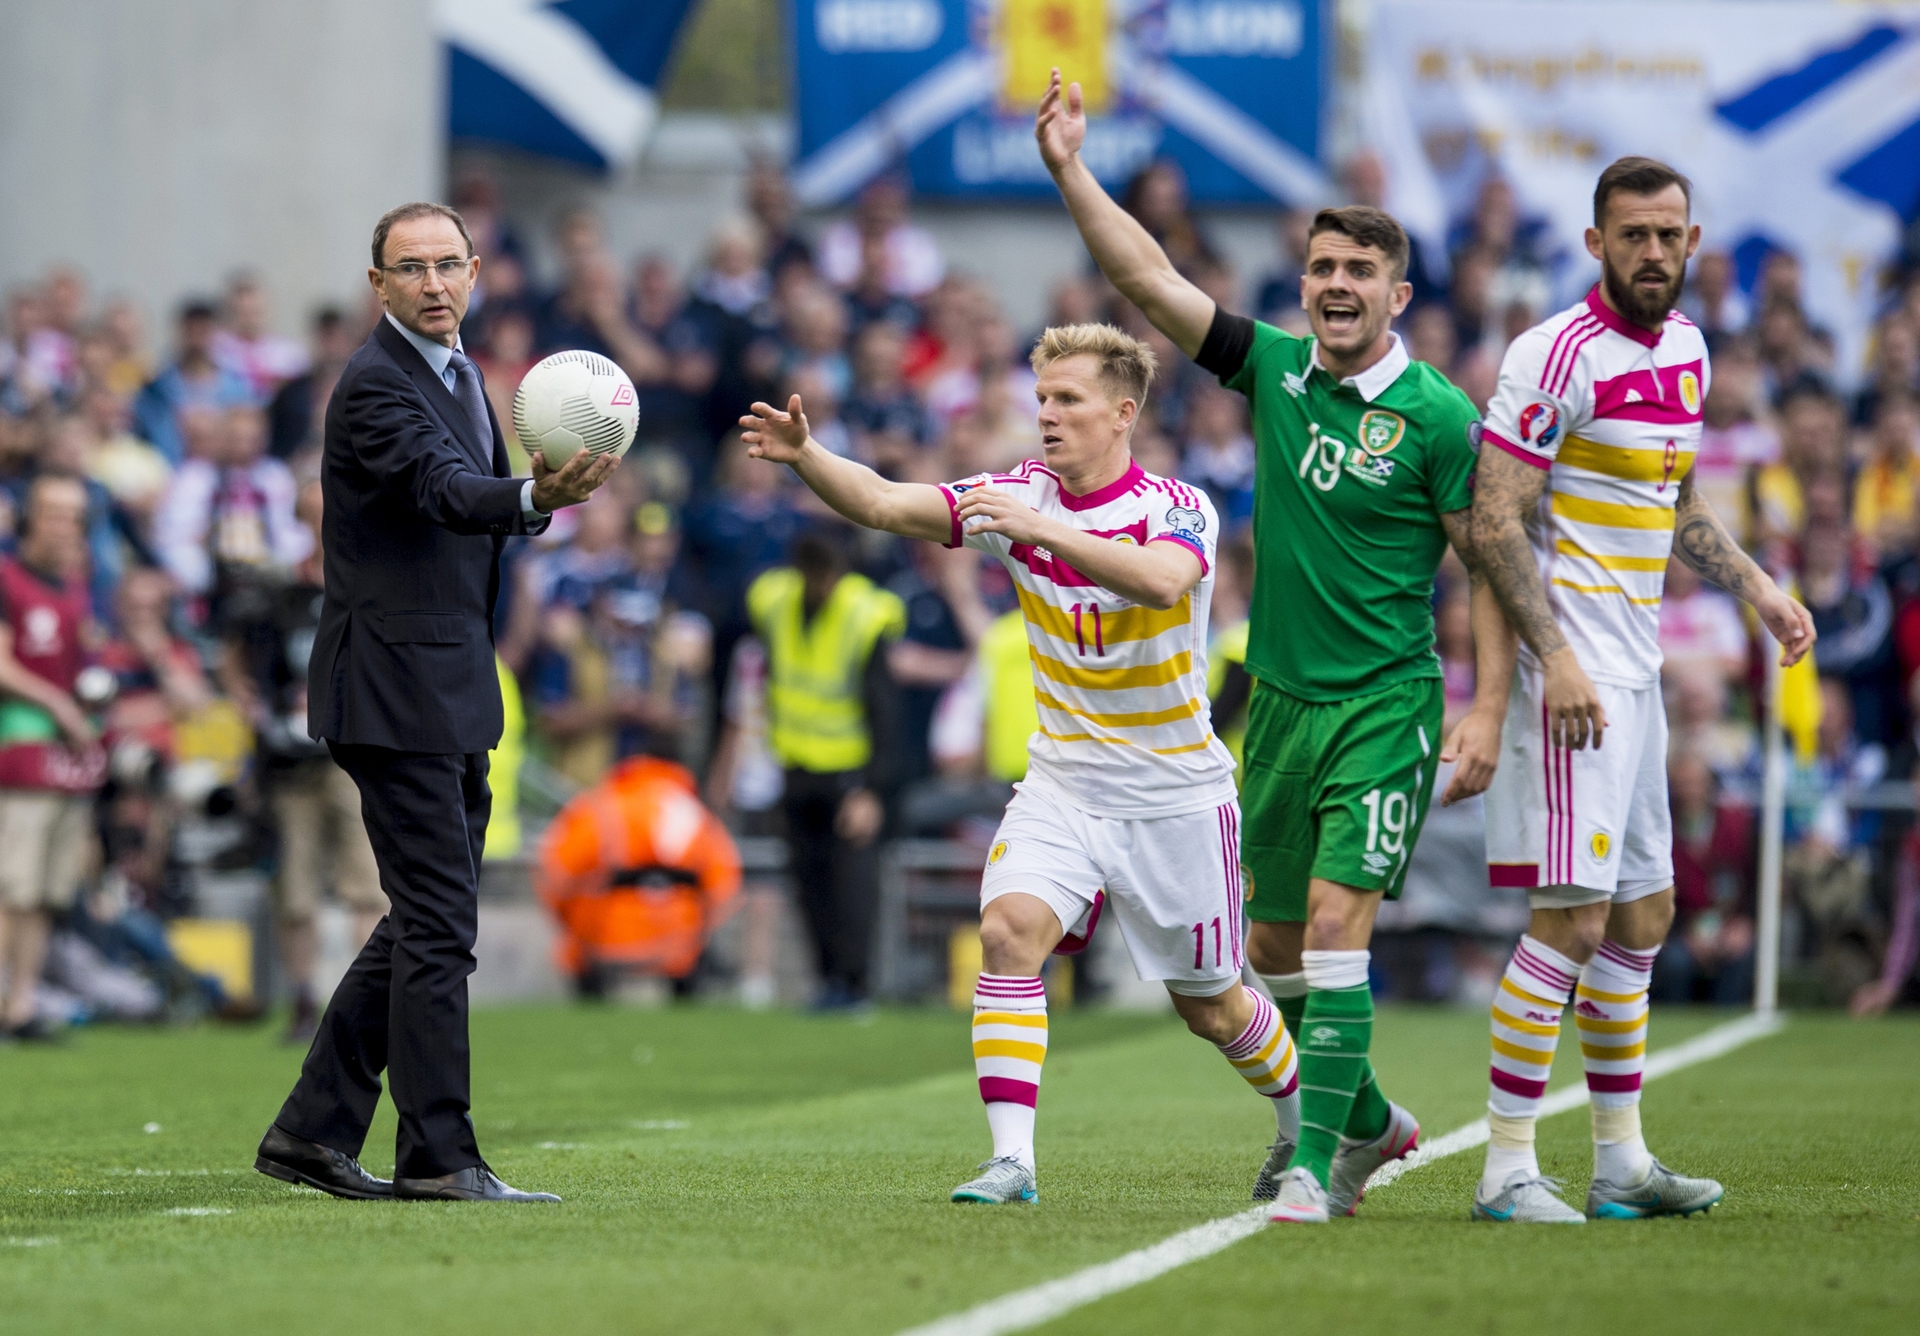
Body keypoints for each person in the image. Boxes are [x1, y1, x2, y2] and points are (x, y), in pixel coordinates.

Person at [1036, 69, 1512, 1223]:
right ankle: (1376, 1123)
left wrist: (1488, 705)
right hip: (1282, 706)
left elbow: (1491, 555)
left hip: (1385, 704)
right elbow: (1147, 279)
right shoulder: (1276, 373)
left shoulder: (1442, 417)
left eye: (1360, 272)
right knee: (1277, 951)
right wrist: (1067, 167)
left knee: (1343, 930)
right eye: (1322, 269)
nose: (1337, 287)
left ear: (1398, 295)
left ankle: (1312, 1165)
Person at [742, 322, 1301, 1210]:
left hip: (1174, 795)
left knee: (1213, 1005)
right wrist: (811, 457)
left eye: (1068, 399)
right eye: (1041, 398)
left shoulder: (1179, 505)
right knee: (1007, 933)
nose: (1046, 415)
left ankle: (1304, 1123)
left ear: (1122, 413)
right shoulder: (1013, 496)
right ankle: (1013, 1162)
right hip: (1064, 783)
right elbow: (888, 503)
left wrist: (1039, 527)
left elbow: (1159, 582)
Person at [1469, 157, 1817, 1223]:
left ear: (1693, 241)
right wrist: (1556, 657)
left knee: (1647, 910)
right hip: (1570, 675)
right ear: (1595, 244)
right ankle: (1506, 1167)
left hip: (1640, 666)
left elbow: (1674, 496)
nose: (1654, 253)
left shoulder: (1689, 348)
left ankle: (1619, 1161)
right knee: (1568, 920)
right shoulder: (1552, 353)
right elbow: (1492, 519)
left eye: (1670, 235)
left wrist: (1758, 585)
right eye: (1633, 236)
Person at [253, 201, 614, 1205]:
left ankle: (312, 1132)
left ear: (476, 268)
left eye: (447, 264)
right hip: (394, 688)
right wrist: (537, 498)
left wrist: (527, 505)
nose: (432, 283)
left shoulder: (463, 375)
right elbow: (448, 491)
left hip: (447, 683)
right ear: (379, 285)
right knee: (442, 922)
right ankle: (439, 1157)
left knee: (420, 917)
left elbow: (472, 515)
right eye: (409, 268)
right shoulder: (376, 384)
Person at [221, 480, 384, 1045]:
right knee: (296, 889)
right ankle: (303, 1003)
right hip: (292, 760)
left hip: (352, 755)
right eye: (312, 513)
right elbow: (235, 657)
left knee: (366, 884)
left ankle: (362, 1006)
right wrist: (248, 703)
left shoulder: (366, 580)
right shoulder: (278, 592)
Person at [746, 527, 903, 1008]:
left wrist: (872, 790)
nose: (822, 586)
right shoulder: (775, 601)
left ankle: (854, 985)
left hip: (848, 775)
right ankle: (826, 982)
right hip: (795, 768)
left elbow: (884, 712)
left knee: (852, 888)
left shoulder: (866, 615)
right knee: (808, 885)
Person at [0, 476, 106, 1040]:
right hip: (19, 746)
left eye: (74, 516)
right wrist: (61, 706)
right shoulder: (7, 579)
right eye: (54, 514)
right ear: (30, 519)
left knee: (44, 892)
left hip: (66, 756)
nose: (65, 526)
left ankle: (21, 1004)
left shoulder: (73, 588)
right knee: (12, 885)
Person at [534, 750, 742, 997]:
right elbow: (725, 889)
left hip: (604, 938)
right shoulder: (695, 814)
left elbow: (555, 876)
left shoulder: (597, 808)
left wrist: (574, 922)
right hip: (679, 943)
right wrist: (699, 928)